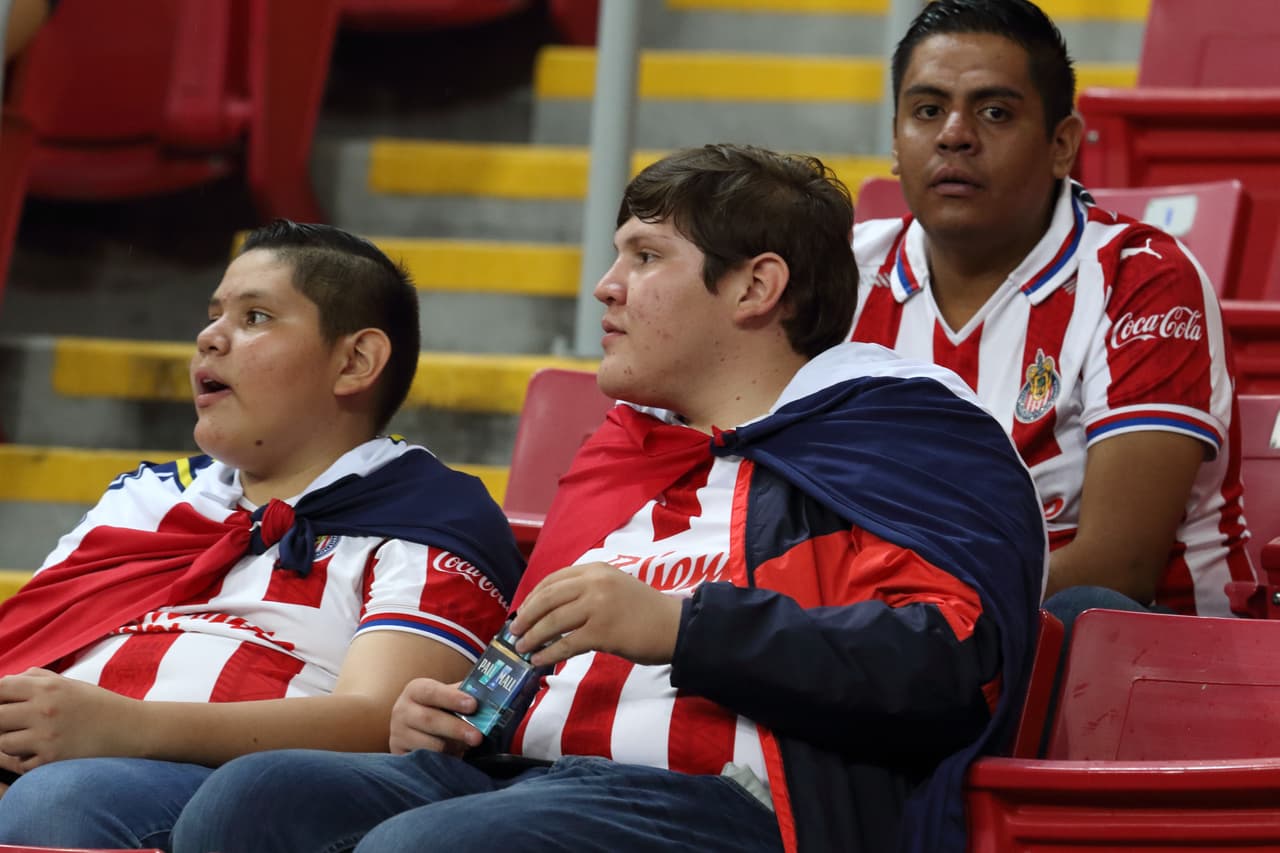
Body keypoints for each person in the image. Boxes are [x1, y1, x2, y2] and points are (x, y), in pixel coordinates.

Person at [172, 144, 1046, 853]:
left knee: (428, 846)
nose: (607, 284)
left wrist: (682, 626)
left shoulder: (898, 435)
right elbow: (523, 663)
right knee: (254, 799)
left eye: (646, 256)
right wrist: (455, 709)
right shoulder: (623, 452)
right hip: (519, 776)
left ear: (755, 287)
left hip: (728, 799)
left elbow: (947, 665)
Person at [0, 221, 525, 849]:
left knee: (60, 800)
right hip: (45, 761)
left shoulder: (433, 513)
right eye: (213, 315)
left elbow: (384, 723)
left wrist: (129, 726)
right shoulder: (145, 496)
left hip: (230, 792)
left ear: (355, 362)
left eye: (255, 318)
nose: (210, 338)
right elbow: (31, 642)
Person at [850, 0, 1257, 621]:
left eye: (994, 112)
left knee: (1082, 608)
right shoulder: (841, 273)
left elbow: (1119, 568)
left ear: (1062, 144)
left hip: (1134, 655)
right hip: (887, 636)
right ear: (896, 140)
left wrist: (885, 626)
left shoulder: (1141, 277)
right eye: (927, 110)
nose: (954, 134)